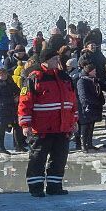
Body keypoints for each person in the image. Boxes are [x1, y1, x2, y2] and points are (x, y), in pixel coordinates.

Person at [18, 47, 77, 197]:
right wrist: (25, 124)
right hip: (41, 128)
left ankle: (54, 186)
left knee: (59, 159)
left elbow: (72, 102)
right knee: (38, 159)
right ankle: (36, 188)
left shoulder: (65, 77)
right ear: (45, 61)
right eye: (54, 58)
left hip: (62, 127)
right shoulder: (35, 77)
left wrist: (74, 121)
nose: (58, 61)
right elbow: (25, 102)